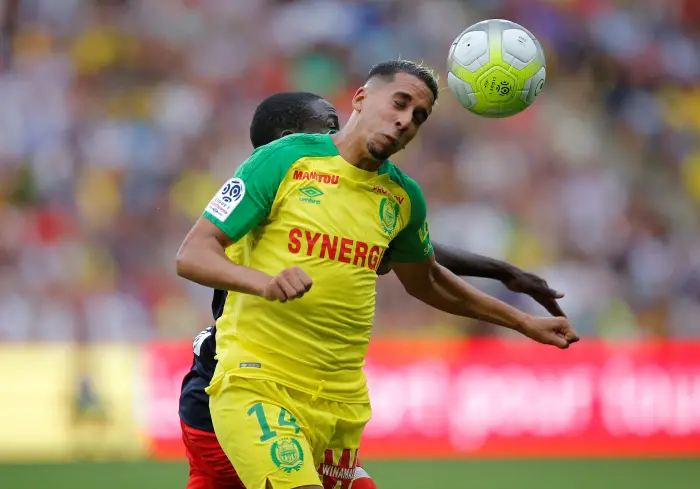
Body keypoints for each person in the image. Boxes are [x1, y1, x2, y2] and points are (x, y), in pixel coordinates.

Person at [176, 60, 579, 489]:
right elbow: (192, 254)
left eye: (418, 117)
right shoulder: (281, 161)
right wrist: (265, 283)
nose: (405, 120)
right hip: (258, 383)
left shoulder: (403, 198)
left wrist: (522, 320)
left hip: (340, 401)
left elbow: (428, 278)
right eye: (399, 103)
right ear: (362, 99)